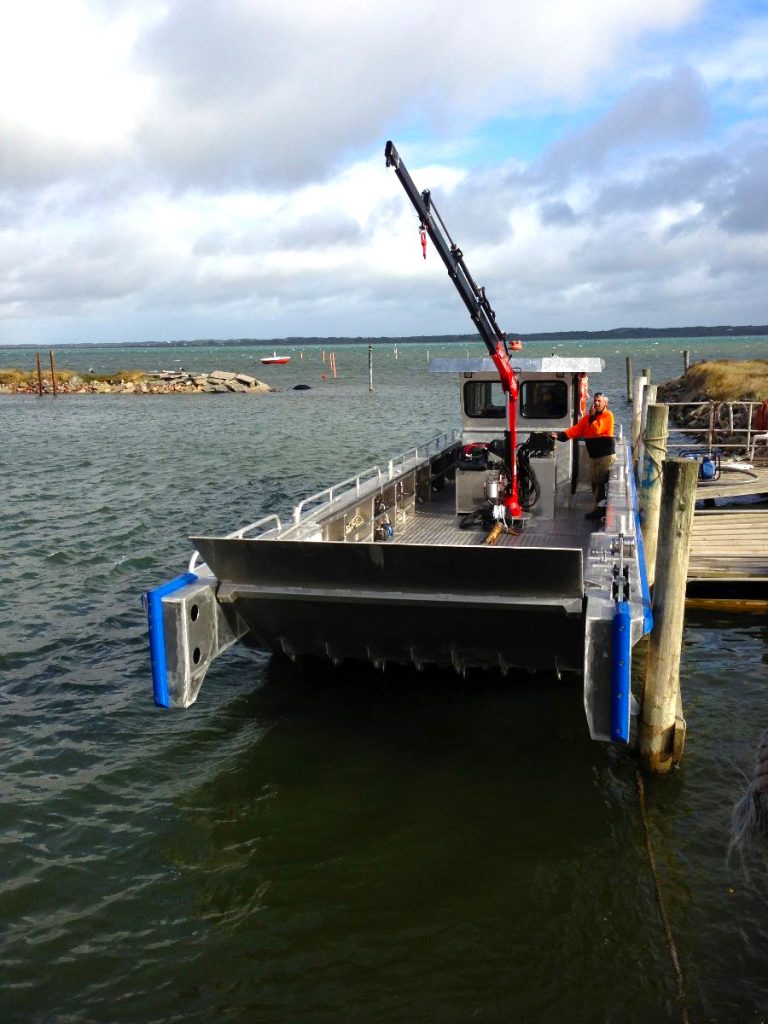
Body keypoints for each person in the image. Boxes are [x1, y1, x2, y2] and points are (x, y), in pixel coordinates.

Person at [551, 391, 615, 519]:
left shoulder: (608, 416)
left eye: (599, 401)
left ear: (605, 403)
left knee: (602, 483)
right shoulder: (587, 418)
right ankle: (598, 508)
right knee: (595, 483)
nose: (596, 403)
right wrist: (559, 436)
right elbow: (575, 430)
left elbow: (597, 429)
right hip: (594, 457)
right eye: (595, 401)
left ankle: (601, 510)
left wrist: (592, 417)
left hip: (605, 456)